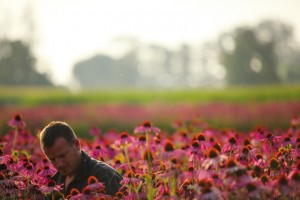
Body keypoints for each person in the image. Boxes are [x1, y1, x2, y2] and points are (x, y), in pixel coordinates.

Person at [39, 121, 123, 198]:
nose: (59, 164)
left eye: (63, 155)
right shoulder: (54, 182)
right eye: (52, 159)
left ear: (76, 145)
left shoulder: (105, 176)